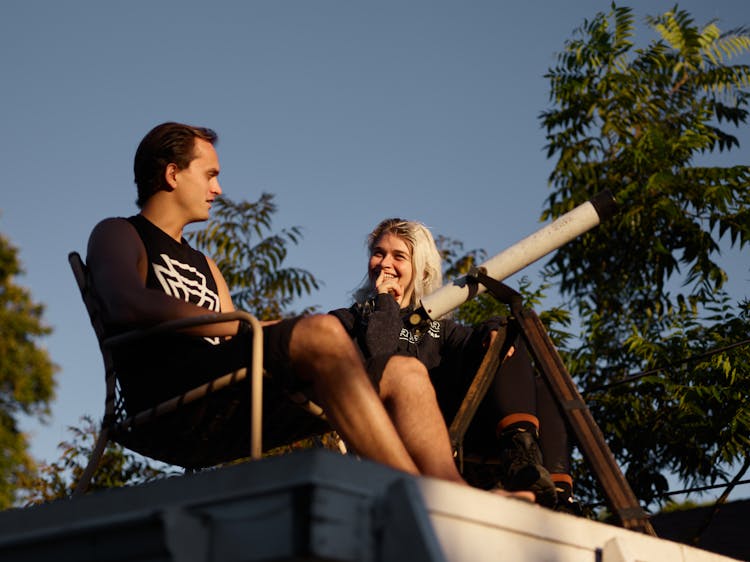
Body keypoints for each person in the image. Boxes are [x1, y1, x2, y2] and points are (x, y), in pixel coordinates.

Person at [85, 121, 534, 501]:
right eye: (210, 174)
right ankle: (414, 494)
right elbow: (125, 302)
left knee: (404, 372)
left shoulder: (206, 265)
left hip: (228, 391)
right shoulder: (119, 233)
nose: (218, 189)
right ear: (171, 174)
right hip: (171, 399)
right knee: (321, 331)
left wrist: (260, 331)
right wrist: (252, 328)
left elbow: (236, 340)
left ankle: (451, 494)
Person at [330, 218, 580, 511]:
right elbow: (383, 357)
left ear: (420, 269)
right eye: (378, 252)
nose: (385, 263)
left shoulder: (436, 327)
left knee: (518, 351)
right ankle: (526, 471)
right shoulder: (353, 319)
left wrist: (493, 329)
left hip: (461, 424)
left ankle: (540, 476)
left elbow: (472, 341)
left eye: (398, 256)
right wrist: (385, 302)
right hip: (411, 430)